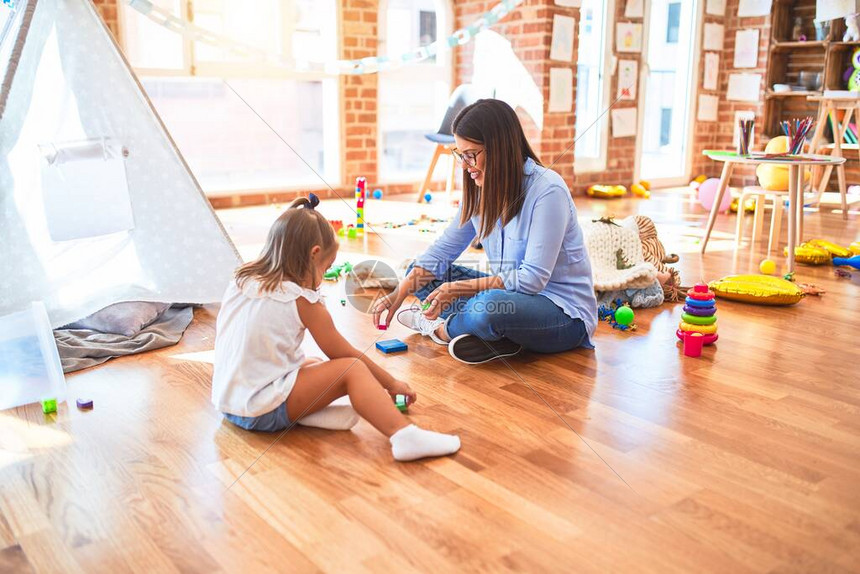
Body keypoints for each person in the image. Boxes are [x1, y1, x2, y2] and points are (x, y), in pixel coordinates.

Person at [212, 195, 460, 462]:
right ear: (314, 254)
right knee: (351, 371)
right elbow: (345, 355)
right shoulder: (302, 300)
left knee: (313, 362)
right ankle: (404, 436)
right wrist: (391, 383)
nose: (322, 277)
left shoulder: (242, 278)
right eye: (326, 268)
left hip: (229, 402)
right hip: (259, 410)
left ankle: (307, 414)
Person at [373, 99, 597, 364]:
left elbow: (532, 279)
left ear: (500, 148)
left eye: (471, 154)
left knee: (489, 309)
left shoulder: (548, 191)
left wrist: (457, 289)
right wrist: (399, 294)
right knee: (420, 272)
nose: (465, 165)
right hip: (513, 299)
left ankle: (443, 330)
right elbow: (442, 251)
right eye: (460, 155)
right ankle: (496, 337)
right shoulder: (480, 192)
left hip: (564, 315)